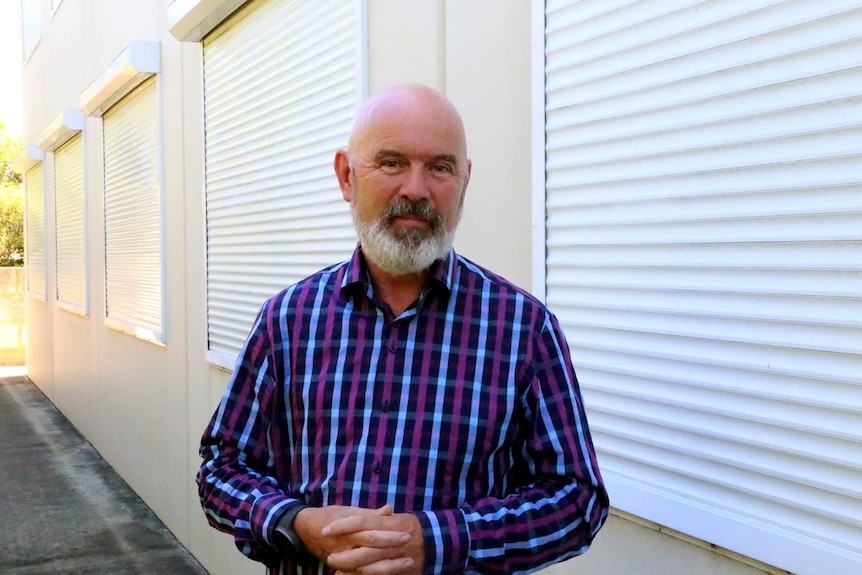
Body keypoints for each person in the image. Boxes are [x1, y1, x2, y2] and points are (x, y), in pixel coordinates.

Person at [197, 84, 609, 575]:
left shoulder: (522, 328)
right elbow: (221, 469)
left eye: (439, 167)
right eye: (391, 162)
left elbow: (576, 500)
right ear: (346, 176)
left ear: (464, 180)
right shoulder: (288, 319)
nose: (416, 189)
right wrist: (295, 522)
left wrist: (436, 542)